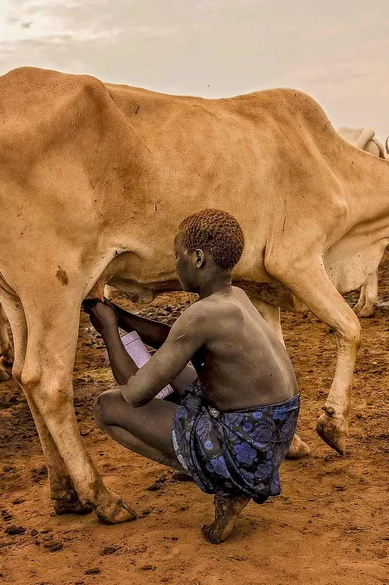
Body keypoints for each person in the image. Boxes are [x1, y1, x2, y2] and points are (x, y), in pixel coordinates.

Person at [83, 209, 300, 543]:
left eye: (176, 256)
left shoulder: (201, 315)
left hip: (246, 446)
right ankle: (226, 474)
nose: (175, 264)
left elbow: (135, 394)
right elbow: (174, 336)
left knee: (107, 407)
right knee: (185, 372)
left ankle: (226, 483)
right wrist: (121, 317)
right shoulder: (234, 297)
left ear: (197, 258)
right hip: (275, 434)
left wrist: (110, 331)